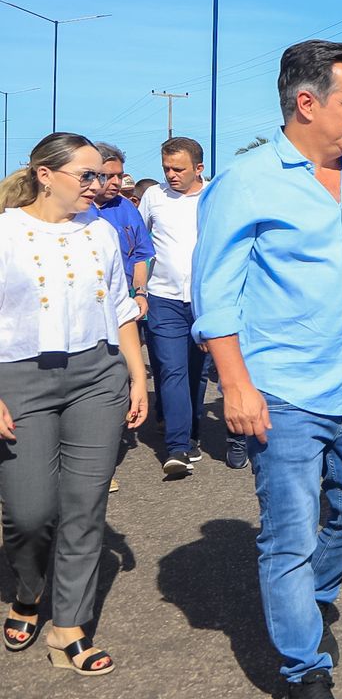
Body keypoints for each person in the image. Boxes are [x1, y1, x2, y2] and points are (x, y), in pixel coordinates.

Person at [192, 39, 342, 699]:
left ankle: (308, 598)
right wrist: (235, 386)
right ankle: (303, 674)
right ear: (306, 102)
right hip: (283, 391)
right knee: (287, 534)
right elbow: (215, 297)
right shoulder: (247, 182)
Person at [0, 133, 147, 675]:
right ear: (45, 174)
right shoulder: (5, 232)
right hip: (20, 379)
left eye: (103, 175)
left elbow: (120, 308)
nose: (100, 185)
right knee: (29, 512)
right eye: (87, 175)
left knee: (85, 507)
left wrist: (136, 376)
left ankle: (69, 628)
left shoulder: (101, 231)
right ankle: (29, 589)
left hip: (97, 376)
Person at [140, 137, 217, 475]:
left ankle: (192, 432)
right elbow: (139, 243)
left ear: (198, 168)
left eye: (178, 169)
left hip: (205, 300)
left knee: (197, 372)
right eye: (166, 168)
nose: (171, 175)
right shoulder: (153, 197)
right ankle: (177, 447)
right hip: (163, 298)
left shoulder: (215, 196)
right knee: (172, 369)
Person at [88, 143, 154, 492]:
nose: (114, 182)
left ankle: (100, 463)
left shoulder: (126, 209)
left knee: (118, 381)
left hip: (124, 310)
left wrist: (140, 291)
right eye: (107, 176)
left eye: (118, 176)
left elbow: (142, 254)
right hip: (88, 316)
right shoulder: (79, 211)